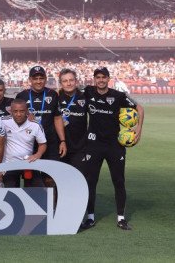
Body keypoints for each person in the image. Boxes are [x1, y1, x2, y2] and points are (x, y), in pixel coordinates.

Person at [80, 67, 145, 231]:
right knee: (90, 181)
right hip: (93, 144)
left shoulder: (118, 96)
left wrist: (138, 129)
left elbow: (140, 108)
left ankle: (121, 219)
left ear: (108, 79)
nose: (100, 80)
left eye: (103, 77)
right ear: (94, 79)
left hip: (114, 145)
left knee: (119, 181)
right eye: (98, 77)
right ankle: (90, 218)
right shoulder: (88, 92)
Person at [15, 65, 67, 190]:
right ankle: (32, 208)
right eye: (35, 78)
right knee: (29, 178)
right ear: (30, 80)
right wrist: (24, 119)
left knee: (51, 178)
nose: (38, 81)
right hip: (29, 144)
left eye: (41, 78)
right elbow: (15, 119)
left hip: (51, 143)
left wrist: (63, 141)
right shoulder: (22, 95)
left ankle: (52, 208)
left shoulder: (52, 94)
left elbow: (57, 118)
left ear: (45, 79)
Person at [2, 99, 47, 188]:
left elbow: (43, 144)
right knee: (10, 195)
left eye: (22, 111)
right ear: (11, 111)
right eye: (15, 111)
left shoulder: (35, 125)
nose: (18, 114)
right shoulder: (2, 122)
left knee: (39, 191)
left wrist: (37, 155)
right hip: (9, 164)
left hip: (28, 163)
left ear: (27, 111)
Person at [57, 68, 89, 174]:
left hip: (80, 147)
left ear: (76, 81)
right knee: (59, 181)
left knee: (79, 179)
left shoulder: (85, 96)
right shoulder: (55, 97)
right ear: (61, 83)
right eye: (65, 81)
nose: (69, 83)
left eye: (71, 80)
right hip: (60, 146)